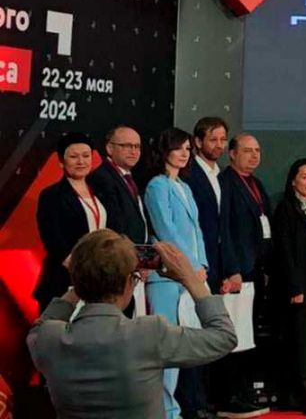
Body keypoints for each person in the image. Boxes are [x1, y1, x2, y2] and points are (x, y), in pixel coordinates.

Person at [28, 230, 237, 419]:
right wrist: (189, 278)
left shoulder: (47, 339)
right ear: (129, 282)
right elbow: (224, 337)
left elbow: (43, 323)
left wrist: (83, 279)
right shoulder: (149, 334)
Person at [143, 127, 209, 419]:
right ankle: (165, 410)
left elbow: (196, 231)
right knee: (166, 345)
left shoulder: (184, 186)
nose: (184, 154)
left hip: (189, 275)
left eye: (187, 149)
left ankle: (173, 408)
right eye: (178, 148)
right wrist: (190, 266)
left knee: (182, 344)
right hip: (167, 276)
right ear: (165, 151)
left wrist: (202, 264)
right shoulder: (157, 186)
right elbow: (166, 230)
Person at [218, 133, 272, 417]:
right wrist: (232, 269)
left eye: (257, 150)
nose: (254, 155)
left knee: (248, 335)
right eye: (248, 150)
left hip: (256, 270)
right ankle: (229, 396)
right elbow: (224, 230)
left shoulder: (256, 184)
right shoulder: (226, 182)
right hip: (237, 271)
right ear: (232, 153)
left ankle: (244, 392)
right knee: (232, 335)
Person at [182, 117, 231, 419]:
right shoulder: (189, 175)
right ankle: (193, 403)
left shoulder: (220, 175)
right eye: (213, 139)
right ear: (197, 142)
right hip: (194, 267)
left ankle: (205, 400)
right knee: (193, 335)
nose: (219, 145)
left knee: (210, 334)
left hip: (214, 266)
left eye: (223, 139)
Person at [270, 159, 306, 416]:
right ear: (293, 180)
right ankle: (302, 393)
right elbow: (284, 251)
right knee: (298, 338)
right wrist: (295, 287)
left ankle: (300, 391)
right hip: (296, 282)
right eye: (304, 177)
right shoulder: (286, 209)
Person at [35, 132, 108, 311]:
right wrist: (80, 271)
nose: (81, 161)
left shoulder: (100, 191)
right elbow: (53, 240)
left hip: (98, 278)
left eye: (86, 156)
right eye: (74, 157)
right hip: (64, 279)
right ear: (61, 162)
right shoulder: (51, 195)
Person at [90, 126, 147, 245]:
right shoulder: (103, 177)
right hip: (119, 250)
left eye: (137, 146)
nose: (134, 151)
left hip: (138, 249)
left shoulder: (129, 176)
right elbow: (113, 222)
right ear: (110, 148)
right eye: (127, 146)